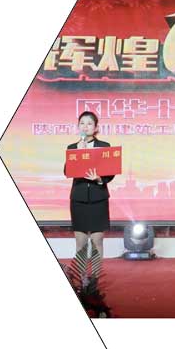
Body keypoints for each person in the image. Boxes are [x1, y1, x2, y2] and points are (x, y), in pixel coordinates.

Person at [64, 111, 115, 264]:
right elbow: (67, 171)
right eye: (82, 123)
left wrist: (99, 179)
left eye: (89, 123)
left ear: (96, 128)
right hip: (79, 199)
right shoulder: (72, 147)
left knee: (97, 240)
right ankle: (81, 276)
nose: (85, 127)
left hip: (98, 198)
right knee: (80, 242)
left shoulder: (104, 147)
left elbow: (110, 173)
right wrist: (79, 152)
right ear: (78, 126)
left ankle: (96, 277)